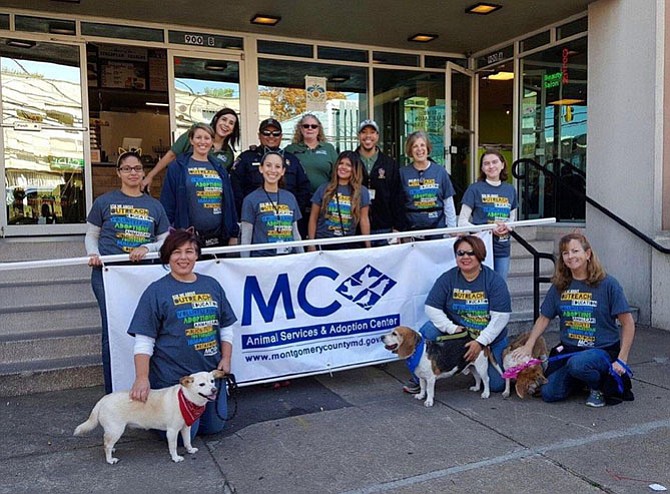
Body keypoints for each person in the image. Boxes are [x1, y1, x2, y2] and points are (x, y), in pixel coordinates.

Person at [128, 228, 236, 436]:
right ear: (167, 256)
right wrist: (142, 378)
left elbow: (226, 326)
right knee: (181, 436)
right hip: (175, 381)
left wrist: (227, 357)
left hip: (208, 376)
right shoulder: (156, 291)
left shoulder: (211, 285)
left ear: (197, 255)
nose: (183, 257)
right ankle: (156, 417)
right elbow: (144, 341)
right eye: (176, 252)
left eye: (189, 251)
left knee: (214, 428)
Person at [513, 233, 636, 407]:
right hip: (570, 350)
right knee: (549, 393)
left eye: (575, 251)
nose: (570, 256)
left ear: (588, 254)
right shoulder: (560, 286)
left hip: (602, 351)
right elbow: (544, 318)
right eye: (565, 253)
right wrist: (529, 345)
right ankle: (583, 379)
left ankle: (596, 388)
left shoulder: (608, 284)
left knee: (578, 364)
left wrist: (622, 360)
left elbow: (628, 323)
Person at [85, 150, 170, 394]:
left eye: (137, 168)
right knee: (111, 331)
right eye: (127, 168)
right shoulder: (104, 201)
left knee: (146, 328)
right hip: (109, 276)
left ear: (143, 172)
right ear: (119, 173)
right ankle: (114, 389)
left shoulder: (155, 206)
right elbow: (92, 234)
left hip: (143, 276)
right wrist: (94, 254)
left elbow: (165, 241)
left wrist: (147, 247)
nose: (133, 172)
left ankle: (146, 381)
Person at [403, 235, 511, 395]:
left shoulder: (494, 281)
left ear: (480, 255)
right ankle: (419, 378)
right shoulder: (448, 278)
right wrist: (451, 328)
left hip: (489, 339)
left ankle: (467, 365)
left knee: (497, 385)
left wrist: (481, 342)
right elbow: (431, 307)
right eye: (460, 253)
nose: (465, 257)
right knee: (428, 331)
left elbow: (501, 317)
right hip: (459, 336)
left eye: (470, 253)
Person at [159, 123, 239, 248]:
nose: (203, 142)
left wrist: (233, 234)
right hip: (187, 238)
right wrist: (168, 234)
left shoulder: (219, 168)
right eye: (198, 137)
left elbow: (229, 202)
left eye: (207, 138)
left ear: (212, 141)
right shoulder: (178, 167)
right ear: (191, 140)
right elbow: (168, 202)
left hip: (219, 237)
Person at [230, 117, 310, 219]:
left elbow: (304, 188)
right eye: (266, 133)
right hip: (255, 218)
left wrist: (293, 210)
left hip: (287, 218)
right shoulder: (246, 158)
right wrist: (247, 212)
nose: (271, 136)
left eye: (276, 133)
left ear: (281, 136)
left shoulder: (292, 159)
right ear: (259, 136)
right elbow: (235, 189)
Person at [142, 108, 240, 191]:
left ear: (233, 129)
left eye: (231, 123)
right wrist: (150, 175)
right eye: (224, 119)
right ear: (216, 119)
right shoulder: (196, 133)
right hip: (183, 190)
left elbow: (224, 181)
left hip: (209, 198)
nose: (226, 124)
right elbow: (172, 154)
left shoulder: (228, 155)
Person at [459, 150, 518, 280]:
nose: (491, 166)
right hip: (480, 248)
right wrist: (489, 229)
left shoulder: (510, 190)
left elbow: (512, 219)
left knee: (499, 286)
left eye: (494, 162)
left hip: (502, 247)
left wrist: (507, 227)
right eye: (486, 163)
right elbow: (462, 222)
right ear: (482, 168)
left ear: (502, 165)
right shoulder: (474, 189)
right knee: (482, 286)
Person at [240, 150, 303, 257]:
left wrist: (303, 258)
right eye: (268, 165)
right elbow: (246, 238)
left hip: (289, 259)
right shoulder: (250, 199)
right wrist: (244, 263)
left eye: (278, 166)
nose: (273, 170)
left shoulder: (290, 197)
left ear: (283, 171)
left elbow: (295, 233)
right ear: (261, 168)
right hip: (262, 260)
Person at [307, 150, 371, 250]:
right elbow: (313, 218)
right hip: (324, 242)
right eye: (341, 163)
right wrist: (311, 244)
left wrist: (368, 246)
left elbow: (364, 219)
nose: (343, 167)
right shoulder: (323, 188)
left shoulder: (362, 191)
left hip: (347, 244)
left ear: (355, 169)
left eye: (348, 165)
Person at [354, 119, 403, 246]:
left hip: (384, 228)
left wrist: (397, 227)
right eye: (364, 132)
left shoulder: (389, 163)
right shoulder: (350, 161)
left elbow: (397, 196)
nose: (368, 136)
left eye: (372, 132)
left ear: (377, 136)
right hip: (355, 230)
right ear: (359, 136)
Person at [399, 131, 457, 238]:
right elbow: (398, 205)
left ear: (428, 148)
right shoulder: (402, 173)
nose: (419, 149)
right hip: (412, 233)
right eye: (415, 146)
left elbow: (448, 204)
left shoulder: (440, 172)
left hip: (438, 231)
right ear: (410, 151)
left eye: (422, 145)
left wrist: (451, 231)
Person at [285, 114, 338, 194]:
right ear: (301, 129)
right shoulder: (290, 149)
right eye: (306, 126)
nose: (310, 128)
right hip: (299, 198)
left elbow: (337, 173)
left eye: (314, 126)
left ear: (319, 129)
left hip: (324, 198)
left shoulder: (328, 148)